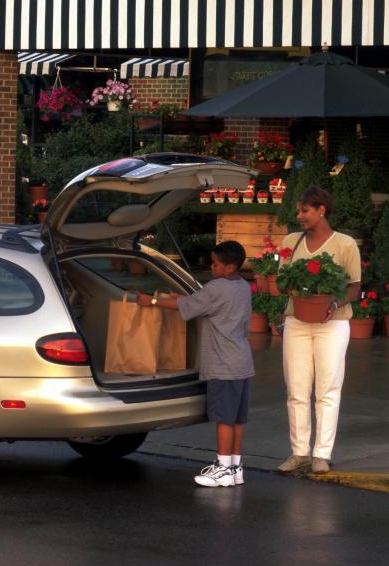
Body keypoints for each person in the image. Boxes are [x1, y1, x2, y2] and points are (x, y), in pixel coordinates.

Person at [137, 240, 254, 487]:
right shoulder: (243, 286)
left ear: (229, 267)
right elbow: (204, 303)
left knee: (223, 418)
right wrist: (191, 297)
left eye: (215, 264)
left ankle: (222, 468)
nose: (211, 267)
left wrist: (153, 302)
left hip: (222, 364)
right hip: (242, 361)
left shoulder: (216, 287)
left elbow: (186, 306)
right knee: (236, 419)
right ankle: (235, 467)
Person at [275, 186, 361, 475]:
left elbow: (354, 287)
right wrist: (292, 287)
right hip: (297, 320)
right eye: (298, 210)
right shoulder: (290, 241)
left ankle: (322, 454)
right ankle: (299, 453)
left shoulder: (345, 244)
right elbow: (282, 282)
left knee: (328, 389)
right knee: (296, 389)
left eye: (304, 210)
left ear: (321, 210)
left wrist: (334, 301)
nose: (299, 215)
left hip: (333, 323)